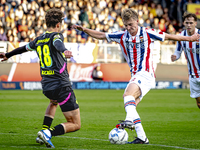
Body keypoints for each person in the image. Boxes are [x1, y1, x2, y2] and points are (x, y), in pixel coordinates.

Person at [72, 8, 200, 144]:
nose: (129, 28)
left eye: (131, 25)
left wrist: (189, 38)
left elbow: (169, 36)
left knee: (127, 96)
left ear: (137, 21)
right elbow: (102, 35)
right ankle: (142, 137)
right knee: (129, 104)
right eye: (126, 25)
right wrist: (85, 30)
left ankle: (130, 122)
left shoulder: (147, 32)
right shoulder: (122, 35)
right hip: (136, 75)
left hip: (145, 73)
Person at [0, 8, 81, 148]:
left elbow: (23, 48)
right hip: (61, 84)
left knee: (53, 102)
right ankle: (48, 133)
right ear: (58, 25)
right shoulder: (56, 35)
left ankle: (44, 131)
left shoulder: (38, 39)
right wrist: (64, 50)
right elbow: (57, 43)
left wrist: (8, 55)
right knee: (75, 123)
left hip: (47, 85)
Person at [171, 12, 200, 109]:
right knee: (199, 103)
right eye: (187, 22)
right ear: (183, 23)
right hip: (192, 75)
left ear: (195, 23)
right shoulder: (181, 36)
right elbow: (178, 51)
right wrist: (175, 56)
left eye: (191, 23)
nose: (189, 25)